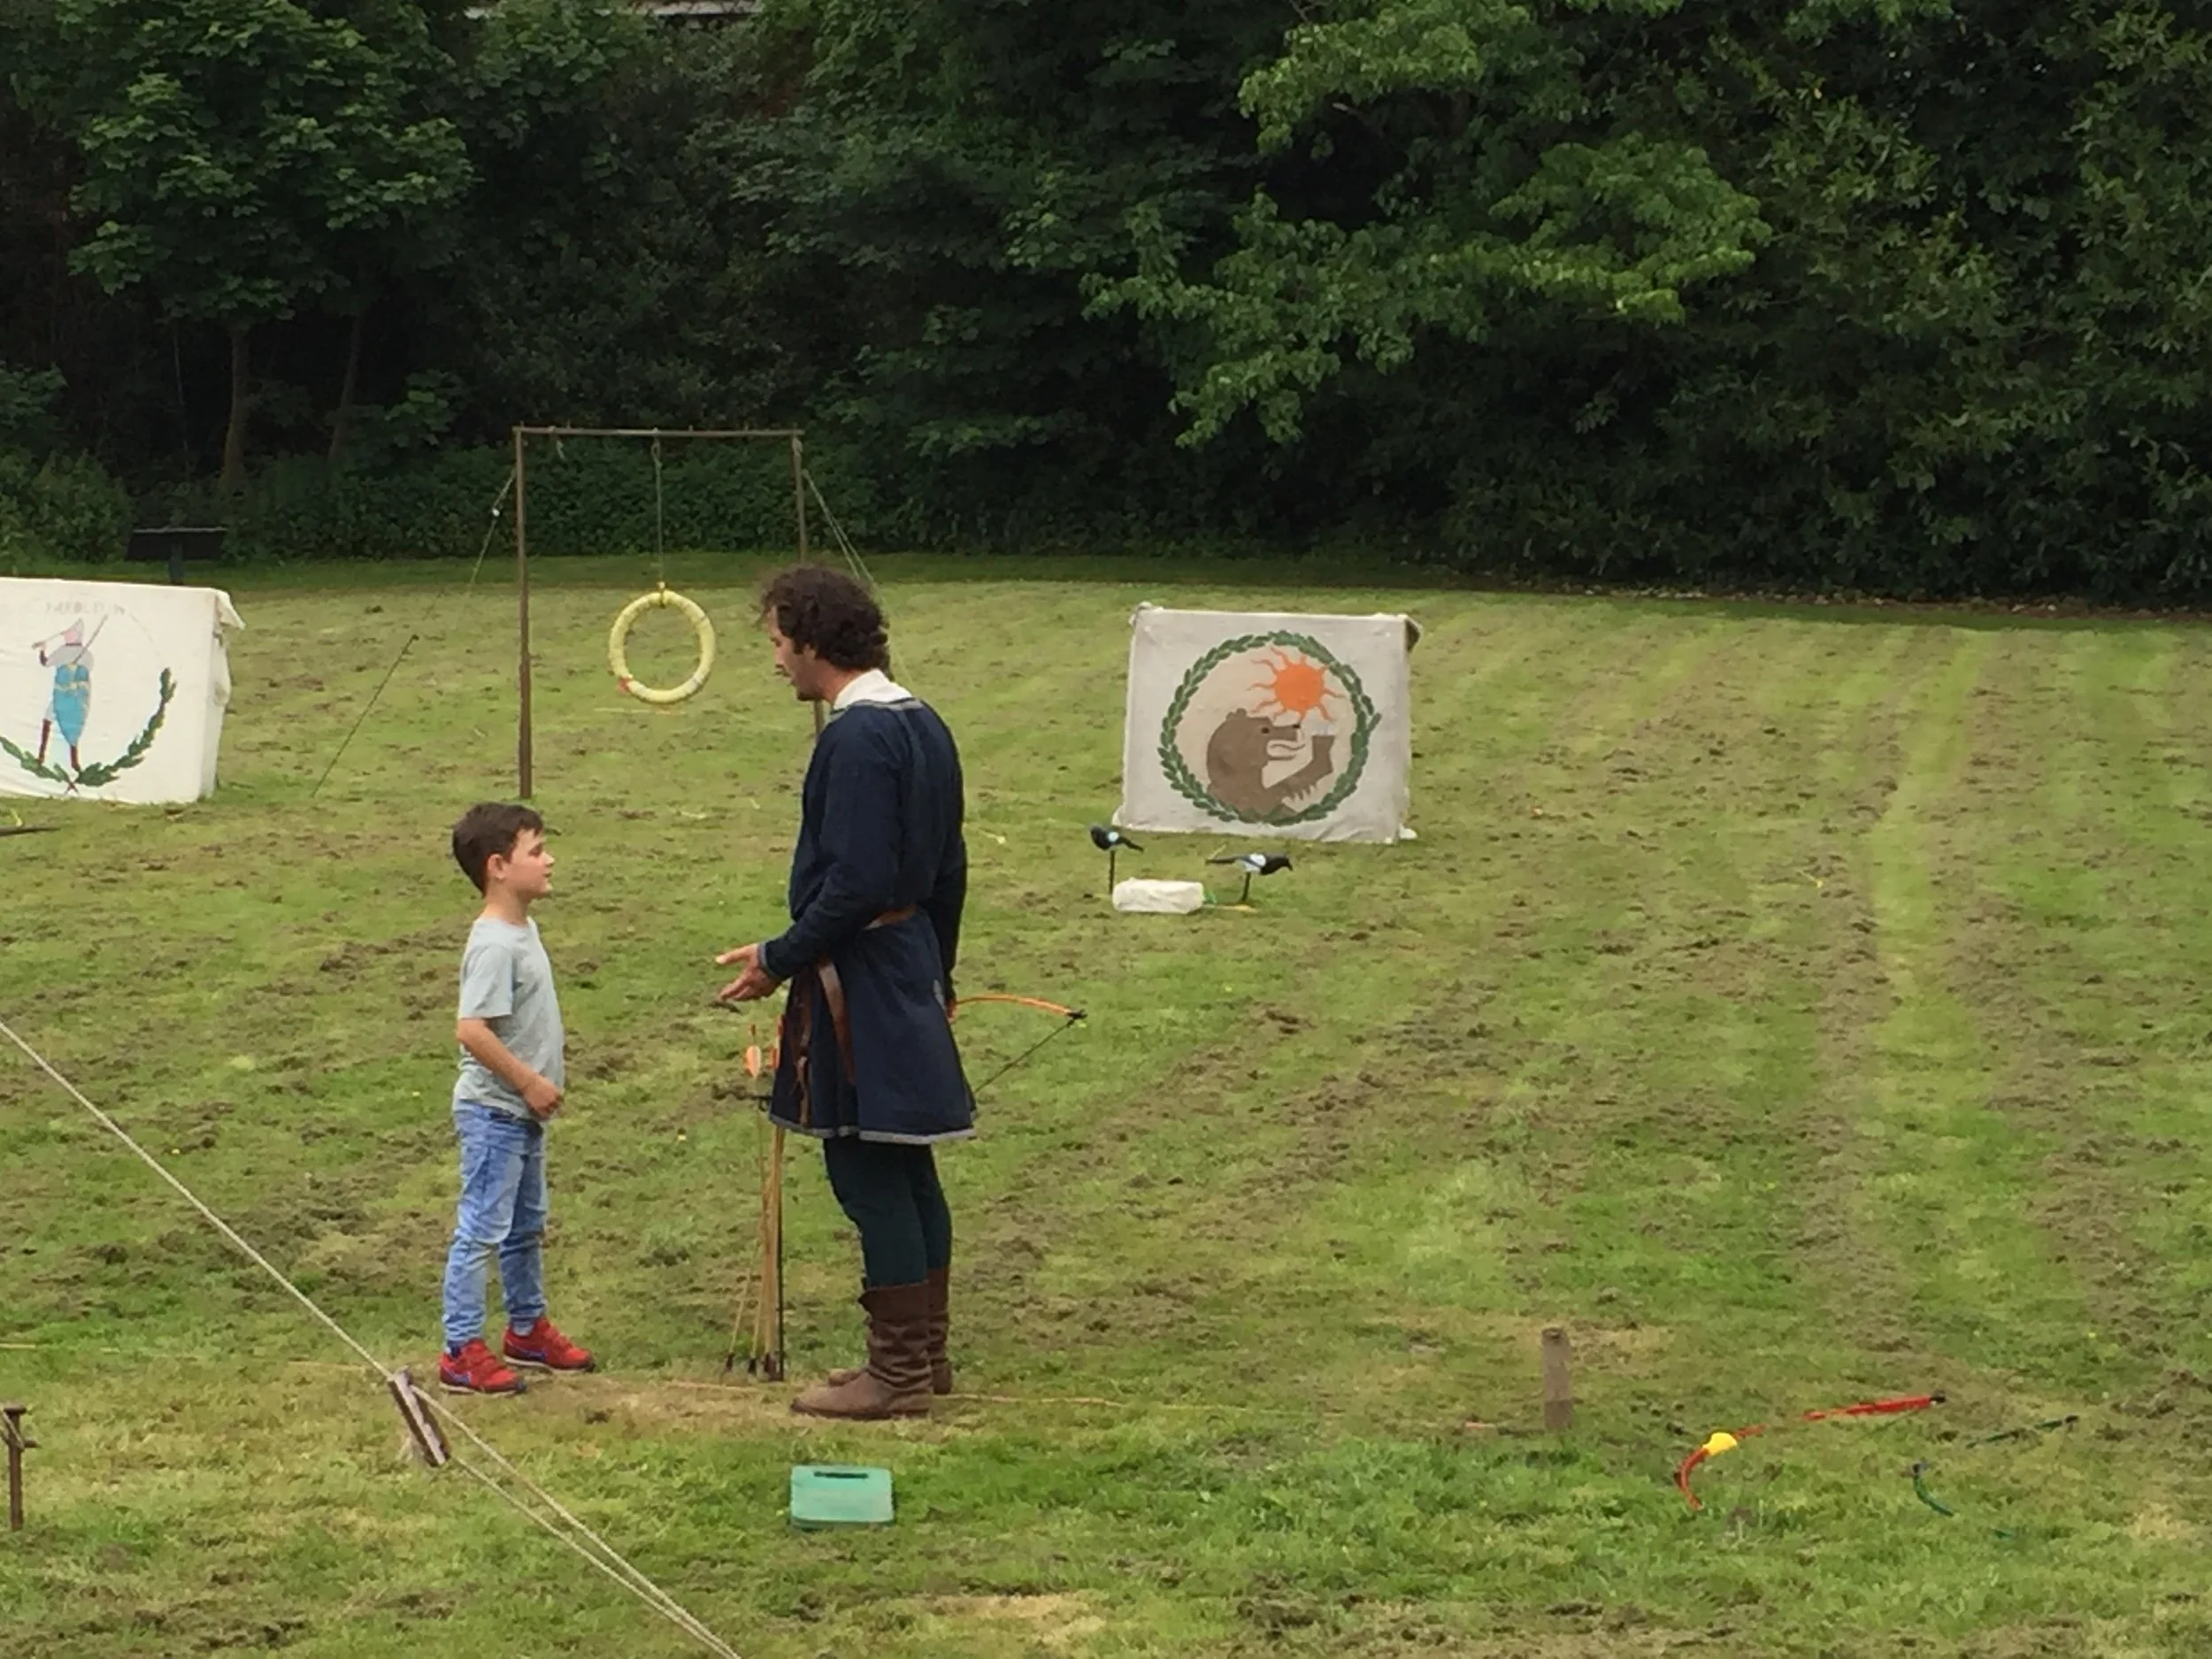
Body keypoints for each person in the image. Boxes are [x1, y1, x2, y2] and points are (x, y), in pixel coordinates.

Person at [718, 566, 971, 1419]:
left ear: (815, 641)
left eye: (781, 644)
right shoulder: (923, 723)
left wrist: (779, 956)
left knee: (868, 1167)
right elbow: (947, 869)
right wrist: (941, 970)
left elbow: (858, 880)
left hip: (861, 974)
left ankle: (898, 1374)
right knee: (904, 1163)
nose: (777, 660)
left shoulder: (858, 738)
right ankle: (921, 1359)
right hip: (905, 962)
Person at [438, 803, 596, 1394]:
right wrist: (528, 1080)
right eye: (537, 850)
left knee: (526, 1225)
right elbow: (472, 1028)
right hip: (495, 1113)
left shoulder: (522, 929)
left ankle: (526, 1328)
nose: (549, 858)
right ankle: (461, 1348)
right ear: (499, 866)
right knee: (482, 1227)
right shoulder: (494, 945)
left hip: (521, 1116)